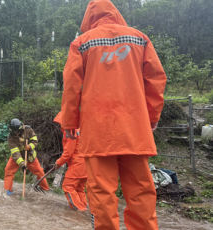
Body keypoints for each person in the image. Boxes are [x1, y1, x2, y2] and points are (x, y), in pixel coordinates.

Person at [61, 0, 167, 229]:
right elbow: (156, 81)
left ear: (88, 18)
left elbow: (71, 88)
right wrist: (151, 118)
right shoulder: (140, 38)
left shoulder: (81, 43)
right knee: (141, 193)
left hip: (98, 133)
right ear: (115, 13)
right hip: (135, 131)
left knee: (101, 196)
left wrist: (69, 123)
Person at [4, 118, 50, 195]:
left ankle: (45, 188)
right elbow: (15, 153)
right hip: (17, 157)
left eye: (16, 131)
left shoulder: (28, 130)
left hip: (29, 156)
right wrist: (22, 164)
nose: (15, 133)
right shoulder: (11, 137)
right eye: (13, 131)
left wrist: (30, 146)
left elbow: (35, 141)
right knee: (8, 171)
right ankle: (8, 190)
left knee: (39, 172)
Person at [54, 111, 87, 211]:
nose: (60, 125)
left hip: (77, 164)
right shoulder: (79, 129)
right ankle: (84, 209)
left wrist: (58, 163)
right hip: (86, 165)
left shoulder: (70, 132)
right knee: (79, 189)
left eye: (60, 123)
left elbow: (68, 153)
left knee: (67, 186)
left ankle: (78, 211)